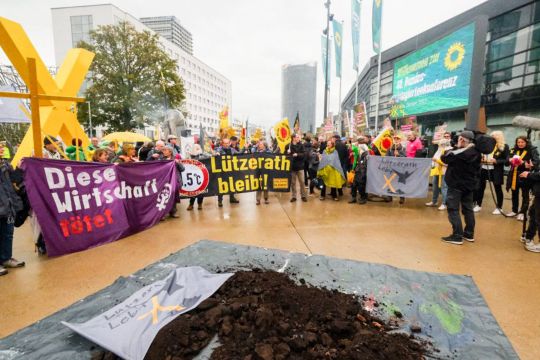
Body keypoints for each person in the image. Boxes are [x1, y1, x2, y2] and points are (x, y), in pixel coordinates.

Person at [440, 130, 481, 245]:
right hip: (469, 185)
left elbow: (444, 158)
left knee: (453, 209)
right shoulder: (476, 152)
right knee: (468, 209)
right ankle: (469, 234)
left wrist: (453, 149)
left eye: (459, 139)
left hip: (456, 185)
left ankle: (457, 235)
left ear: (462, 140)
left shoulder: (458, 153)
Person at [0, 142, 25, 276]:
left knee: (8, 234)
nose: (2, 149)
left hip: (8, 206)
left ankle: (6, 258)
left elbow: (15, 180)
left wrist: (20, 169)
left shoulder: (5, 164)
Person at [473, 131, 510, 215]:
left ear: (499, 137)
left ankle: (499, 207)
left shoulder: (504, 147)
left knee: (497, 188)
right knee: (480, 187)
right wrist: (480, 159)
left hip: (495, 170)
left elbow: (506, 160)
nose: (492, 138)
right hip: (484, 168)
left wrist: (496, 161)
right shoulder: (485, 145)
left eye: (494, 136)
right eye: (491, 136)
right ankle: (478, 205)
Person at [506, 136, 539, 220]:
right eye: (518, 142)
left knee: (525, 195)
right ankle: (514, 210)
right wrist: (509, 160)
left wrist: (528, 164)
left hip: (525, 175)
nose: (520, 144)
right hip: (513, 174)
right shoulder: (513, 149)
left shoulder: (532, 150)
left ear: (526, 142)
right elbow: (507, 159)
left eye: (522, 142)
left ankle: (523, 212)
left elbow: (536, 162)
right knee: (514, 194)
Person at [426, 132, 452, 210]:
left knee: (444, 187)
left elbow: (447, 163)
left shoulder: (449, 151)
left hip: (444, 172)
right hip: (436, 171)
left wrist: (437, 161)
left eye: (442, 144)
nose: (441, 145)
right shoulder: (438, 150)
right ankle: (434, 201)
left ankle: (444, 203)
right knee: (435, 186)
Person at [317, 137, 346, 201]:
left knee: (333, 183)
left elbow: (336, 161)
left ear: (332, 145)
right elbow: (323, 161)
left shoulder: (335, 152)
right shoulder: (325, 151)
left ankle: (334, 195)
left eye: (329, 144)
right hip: (325, 169)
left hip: (333, 170)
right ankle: (322, 195)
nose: (327, 145)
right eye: (327, 144)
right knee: (323, 183)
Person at [519, 169, 540, 252]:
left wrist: (528, 175)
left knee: (539, 218)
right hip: (538, 193)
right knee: (533, 214)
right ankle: (529, 237)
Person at [159, 145, 183, 218]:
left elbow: (182, 169)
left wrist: (177, 163)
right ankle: (163, 213)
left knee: (173, 195)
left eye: (165, 150)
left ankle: (173, 212)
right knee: (164, 196)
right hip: (164, 181)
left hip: (174, 180)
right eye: (163, 150)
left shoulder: (175, 159)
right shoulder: (161, 159)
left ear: (170, 151)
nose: (163, 152)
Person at [215, 138, 240, 207]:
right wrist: (216, 153)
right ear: (222, 143)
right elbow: (216, 152)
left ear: (229, 143)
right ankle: (220, 201)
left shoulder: (232, 149)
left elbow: (239, 154)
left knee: (231, 184)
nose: (226, 144)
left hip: (230, 170)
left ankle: (232, 198)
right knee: (222, 185)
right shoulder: (219, 149)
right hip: (222, 171)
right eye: (225, 143)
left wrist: (245, 149)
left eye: (227, 143)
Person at [386, 134, 407, 205]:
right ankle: (389, 196)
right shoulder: (389, 148)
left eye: (398, 139)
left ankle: (402, 197)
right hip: (391, 169)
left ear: (400, 140)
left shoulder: (403, 149)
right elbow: (386, 158)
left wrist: (398, 155)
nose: (396, 140)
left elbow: (406, 158)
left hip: (400, 169)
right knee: (390, 182)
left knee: (400, 183)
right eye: (395, 139)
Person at [187, 144, 208, 210]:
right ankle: (191, 204)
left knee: (201, 191)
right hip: (192, 175)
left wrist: (216, 154)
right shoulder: (189, 156)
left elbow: (209, 156)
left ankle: (200, 204)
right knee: (193, 190)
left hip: (201, 174)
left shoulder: (202, 155)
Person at [288, 133, 307, 202]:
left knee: (302, 182)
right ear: (293, 138)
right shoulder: (289, 145)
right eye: (297, 137)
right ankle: (294, 196)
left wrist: (297, 154)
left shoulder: (301, 145)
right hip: (292, 167)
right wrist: (288, 152)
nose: (298, 138)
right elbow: (285, 155)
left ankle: (303, 196)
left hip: (300, 167)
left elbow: (304, 154)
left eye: (298, 137)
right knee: (293, 183)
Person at [254, 140, 272, 205]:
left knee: (265, 184)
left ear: (264, 145)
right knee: (258, 185)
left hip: (265, 170)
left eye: (261, 144)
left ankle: (266, 198)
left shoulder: (268, 152)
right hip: (258, 170)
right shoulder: (255, 152)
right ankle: (258, 200)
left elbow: (273, 156)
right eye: (259, 144)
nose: (259, 145)